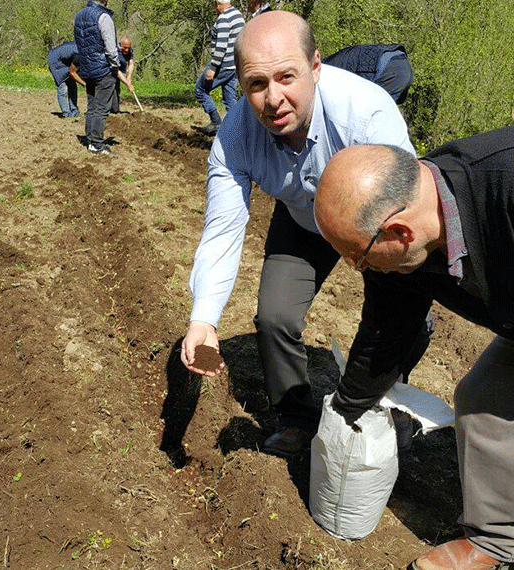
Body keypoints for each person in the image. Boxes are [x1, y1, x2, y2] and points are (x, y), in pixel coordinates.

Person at [180, 11, 432, 458]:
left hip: (369, 225)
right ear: (239, 84)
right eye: (256, 84)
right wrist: (204, 319)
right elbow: (222, 230)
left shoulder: (367, 113)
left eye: (286, 77)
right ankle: (295, 420)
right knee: (275, 316)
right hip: (301, 219)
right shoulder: (235, 136)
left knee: (400, 314)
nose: (273, 99)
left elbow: (405, 213)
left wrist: (399, 303)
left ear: (316, 67)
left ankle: (388, 399)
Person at [313, 128, 514, 570]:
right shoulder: (411, 227)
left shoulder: (506, 187)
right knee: (482, 399)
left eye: (357, 257)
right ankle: (496, 542)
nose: (356, 266)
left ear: (399, 232)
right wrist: (349, 409)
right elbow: (387, 330)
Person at [74, 0, 120, 155]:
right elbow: (111, 49)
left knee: (92, 107)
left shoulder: (79, 15)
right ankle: (98, 145)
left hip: (87, 69)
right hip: (103, 70)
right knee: (101, 109)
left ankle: (90, 140)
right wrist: (115, 66)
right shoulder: (104, 17)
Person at [194, 0, 245, 135]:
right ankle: (238, 130)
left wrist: (212, 67)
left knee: (199, 90)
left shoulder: (223, 18)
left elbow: (221, 47)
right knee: (229, 98)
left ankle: (216, 123)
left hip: (222, 65)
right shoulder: (238, 15)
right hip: (233, 65)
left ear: (217, 3)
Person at [322, 44, 414, 104]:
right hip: (399, 61)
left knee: (370, 111)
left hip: (390, 69)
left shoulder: (326, 74)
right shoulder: (334, 63)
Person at [47, 41, 85, 118]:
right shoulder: (79, 54)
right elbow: (72, 73)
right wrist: (84, 84)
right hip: (55, 61)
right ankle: (66, 113)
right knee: (62, 87)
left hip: (66, 62)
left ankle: (74, 111)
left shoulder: (82, 51)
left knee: (72, 87)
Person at [111, 35, 135, 114]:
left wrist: (129, 79)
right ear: (120, 45)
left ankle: (115, 110)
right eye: (125, 47)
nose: (127, 50)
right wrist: (127, 84)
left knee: (117, 89)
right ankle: (109, 111)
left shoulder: (129, 51)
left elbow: (131, 64)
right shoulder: (115, 51)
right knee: (111, 89)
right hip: (109, 72)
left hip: (118, 73)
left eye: (128, 47)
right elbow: (117, 71)